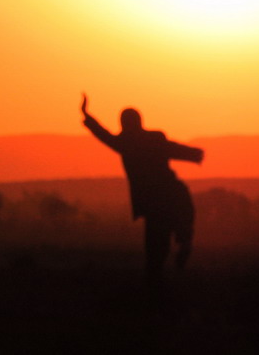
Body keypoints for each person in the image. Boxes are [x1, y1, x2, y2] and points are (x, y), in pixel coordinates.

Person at [80, 93, 204, 280]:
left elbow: (103, 134)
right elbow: (173, 148)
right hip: (171, 191)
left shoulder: (124, 143)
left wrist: (87, 116)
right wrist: (195, 155)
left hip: (151, 201)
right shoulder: (154, 138)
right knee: (182, 222)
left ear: (123, 124)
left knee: (156, 243)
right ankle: (181, 247)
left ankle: (157, 276)